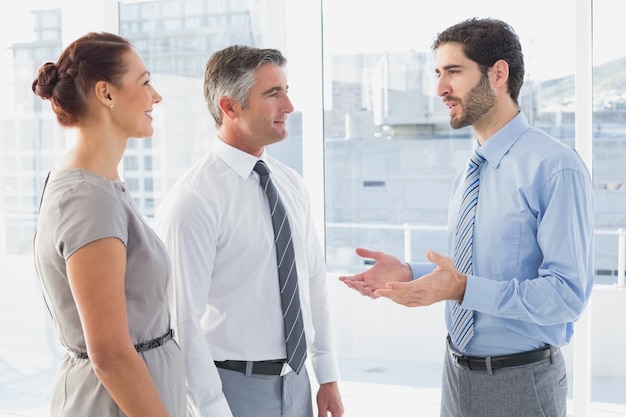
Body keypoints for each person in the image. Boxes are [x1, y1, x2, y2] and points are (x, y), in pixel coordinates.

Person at [340, 18, 594, 417]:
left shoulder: (555, 167)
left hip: (520, 384)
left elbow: (566, 296)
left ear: (498, 73)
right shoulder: (470, 171)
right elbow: (481, 268)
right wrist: (410, 271)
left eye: (454, 72)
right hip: (456, 376)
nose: (440, 89)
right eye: (438, 73)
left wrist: (462, 291)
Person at [153, 45, 344, 417]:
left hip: (299, 385)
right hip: (232, 391)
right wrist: (211, 408)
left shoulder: (291, 185)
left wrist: (328, 375)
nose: (288, 105)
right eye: (273, 94)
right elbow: (182, 322)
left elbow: (314, 283)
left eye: (285, 90)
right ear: (230, 107)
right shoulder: (193, 200)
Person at [32, 32, 187, 417]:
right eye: (145, 81)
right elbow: (112, 356)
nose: (156, 96)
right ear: (106, 93)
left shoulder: (101, 185)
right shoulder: (89, 198)